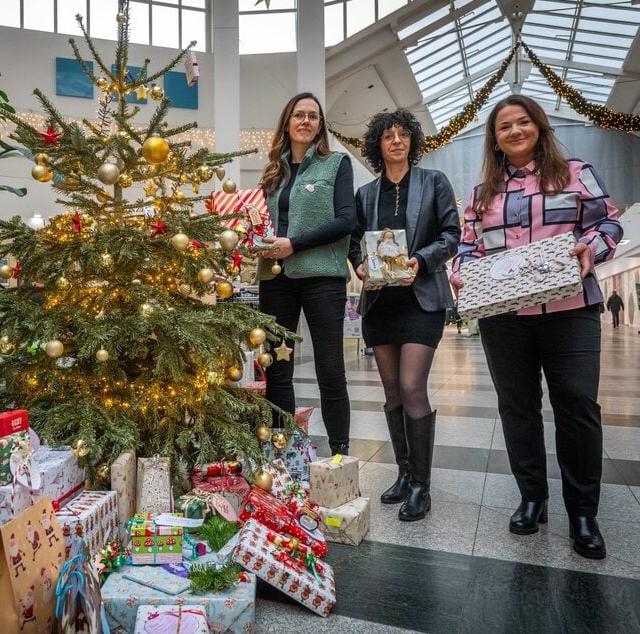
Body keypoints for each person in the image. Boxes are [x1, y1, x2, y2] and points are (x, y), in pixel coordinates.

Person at [450, 95, 622, 559]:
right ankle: (532, 498)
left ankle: (583, 512)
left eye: (522, 122)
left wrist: (592, 248)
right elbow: (468, 250)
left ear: (538, 126)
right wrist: (460, 271)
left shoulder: (574, 171)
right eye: (504, 126)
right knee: (517, 408)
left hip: (571, 310)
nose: (514, 131)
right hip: (504, 318)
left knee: (578, 405)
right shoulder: (482, 193)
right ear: (495, 139)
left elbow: (608, 222)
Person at [348, 109, 460, 521]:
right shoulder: (366, 194)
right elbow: (355, 242)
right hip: (381, 305)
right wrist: (360, 266)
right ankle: (403, 473)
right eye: (387, 136)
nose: (396, 140)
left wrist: (421, 261)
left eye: (402, 134)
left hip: (421, 301)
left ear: (412, 140)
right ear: (377, 145)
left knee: (413, 388)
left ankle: (421, 487)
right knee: (392, 392)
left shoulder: (434, 183)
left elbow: (452, 235)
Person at [256, 92, 355, 456]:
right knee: (278, 368)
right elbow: (262, 223)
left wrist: (293, 243)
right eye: (299, 114)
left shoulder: (336, 165)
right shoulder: (273, 172)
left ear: (320, 126)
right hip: (275, 278)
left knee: (330, 368)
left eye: (313, 116)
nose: (306, 121)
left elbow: (346, 221)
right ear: (288, 121)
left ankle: (340, 453)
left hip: (322, 279)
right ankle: (281, 452)